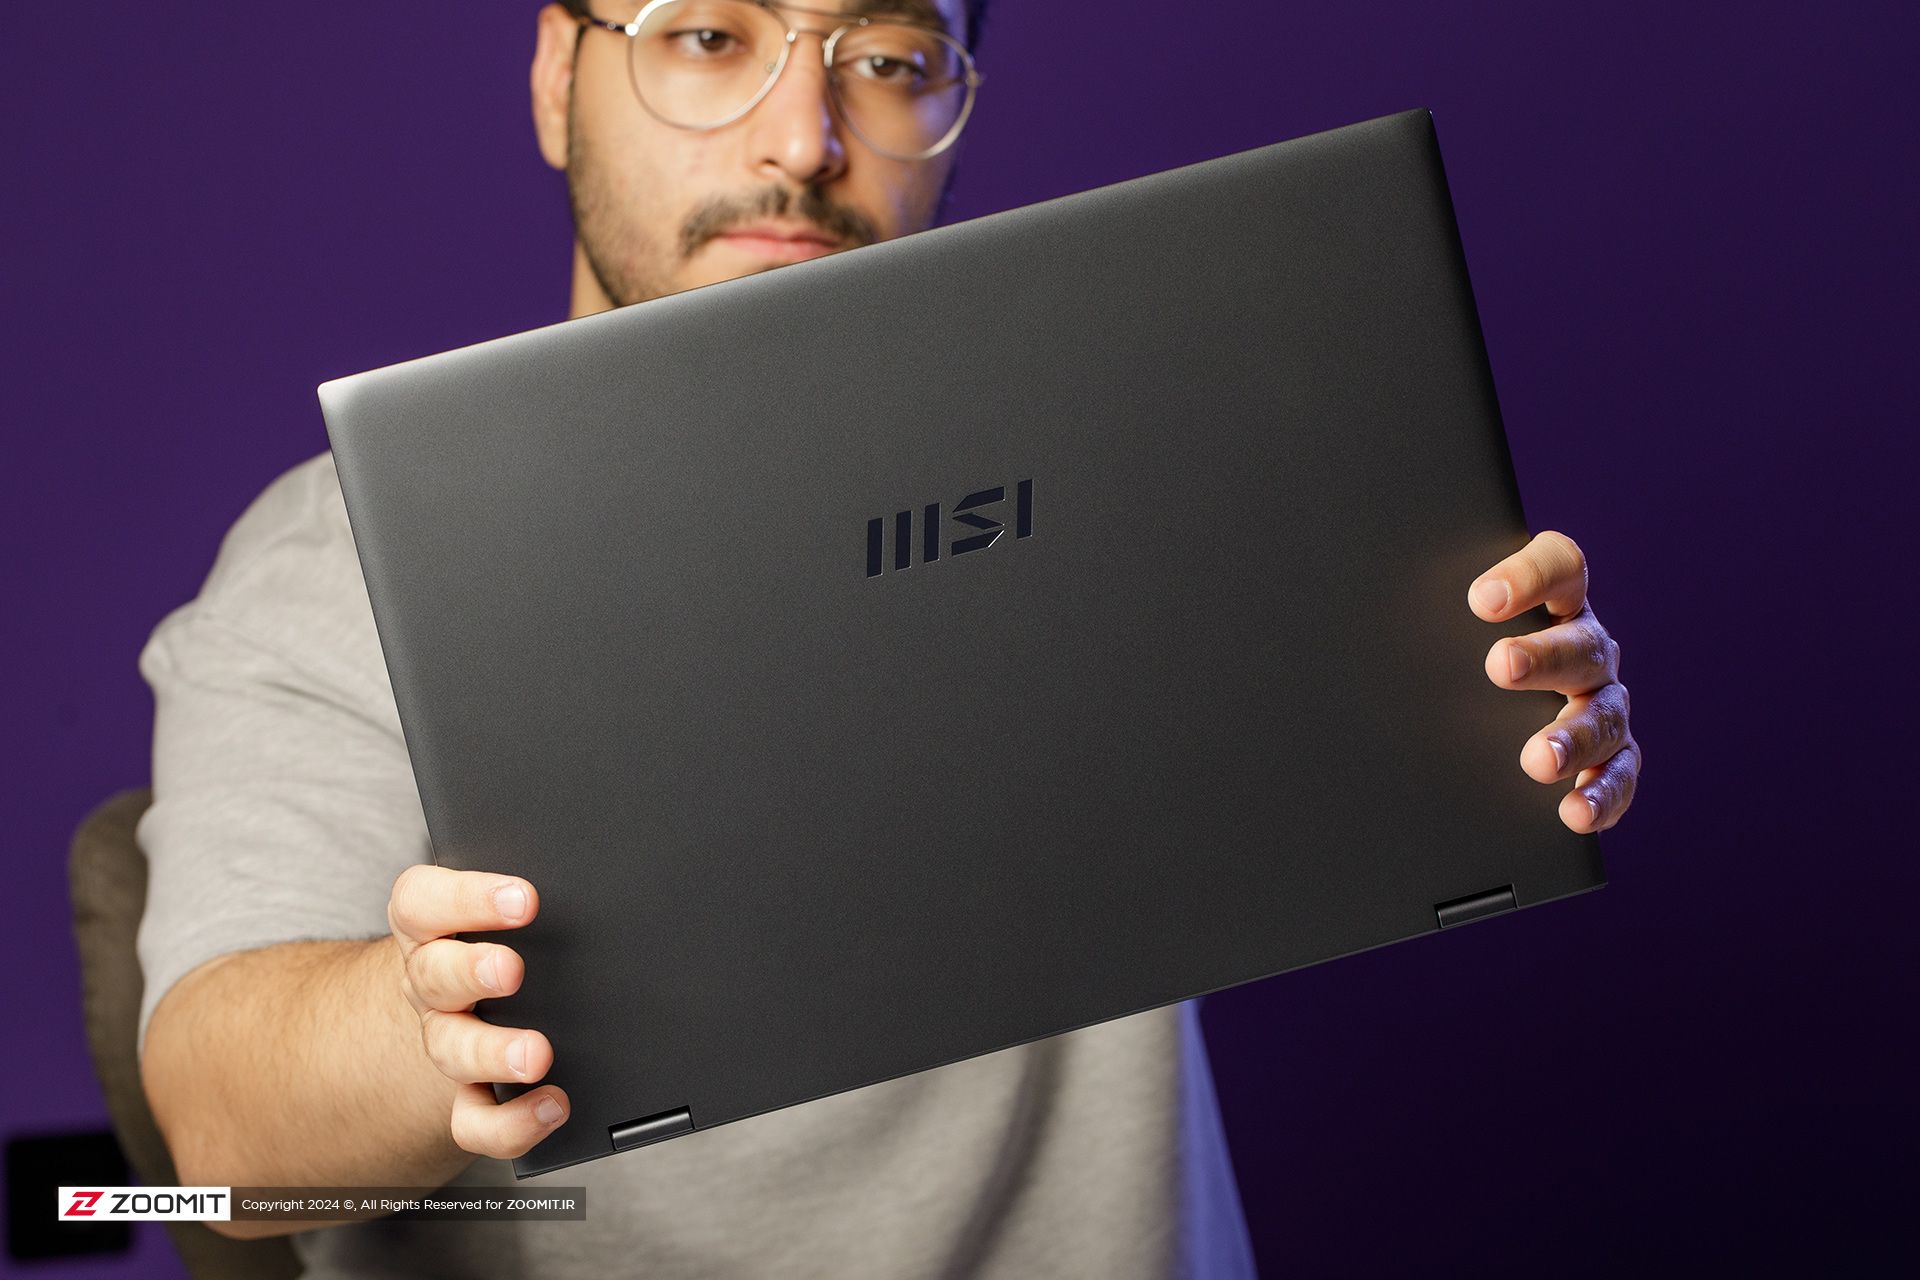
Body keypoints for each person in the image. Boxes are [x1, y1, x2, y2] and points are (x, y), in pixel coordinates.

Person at [133, 3, 1644, 1277]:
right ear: (555, 75)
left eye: (891, 57)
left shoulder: (1147, 436)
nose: (804, 137)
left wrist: (1511, 712)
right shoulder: (334, 566)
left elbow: (1394, 783)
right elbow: (219, 1129)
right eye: (713, 35)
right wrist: (426, 1025)